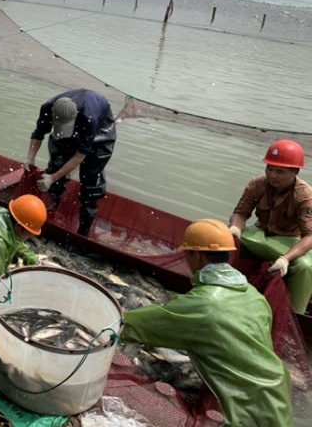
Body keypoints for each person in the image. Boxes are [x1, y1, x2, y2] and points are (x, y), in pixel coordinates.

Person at [122, 218, 293, 425]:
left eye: (187, 254)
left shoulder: (203, 304)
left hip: (244, 412)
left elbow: (132, 325)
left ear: (197, 256)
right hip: (278, 395)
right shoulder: (255, 296)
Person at [229, 139, 312, 314]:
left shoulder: (305, 196)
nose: (272, 175)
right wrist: (235, 228)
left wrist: (286, 259)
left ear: (295, 172)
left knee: (305, 267)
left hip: (289, 241)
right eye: (269, 169)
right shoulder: (257, 184)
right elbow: (241, 213)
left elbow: (309, 236)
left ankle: (294, 315)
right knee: (221, 239)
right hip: (260, 234)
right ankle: (223, 284)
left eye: (280, 171)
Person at [24, 88, 116, 236]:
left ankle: (83, 233)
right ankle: (46, 219)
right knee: (56, 167)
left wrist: (53, 177)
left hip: (101, 129)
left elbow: (81, 155)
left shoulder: (89, 118)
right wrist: (30, 157)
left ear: (77, 115)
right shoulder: (47, 107)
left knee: (91, 179)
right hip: (74, 118)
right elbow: (38, 134)